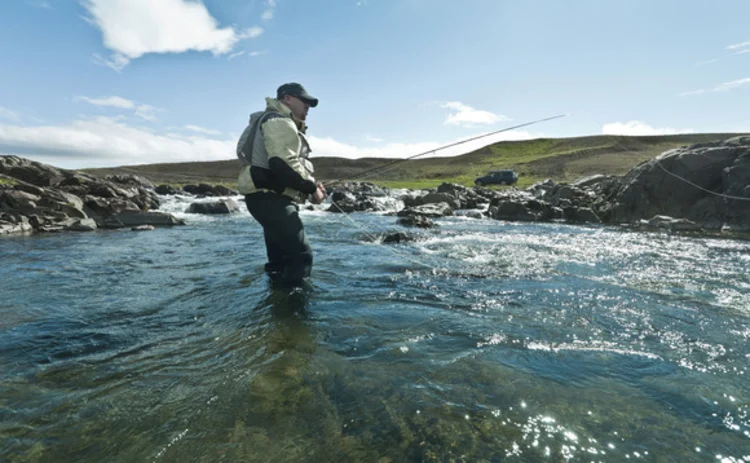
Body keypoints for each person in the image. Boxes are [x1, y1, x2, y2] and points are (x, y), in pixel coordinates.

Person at [236, 82, 327, 286]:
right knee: (300, 257)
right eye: (304, 100)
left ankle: (276, 305)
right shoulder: (279, 121)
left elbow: (280, 164)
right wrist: (312, 189)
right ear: (287, 99)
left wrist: (310, 184)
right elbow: (282, 163)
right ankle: (295, 315)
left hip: (264, 198)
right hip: (272, 200)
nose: (308, 106)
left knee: (279, 261)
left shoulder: (268, 120)